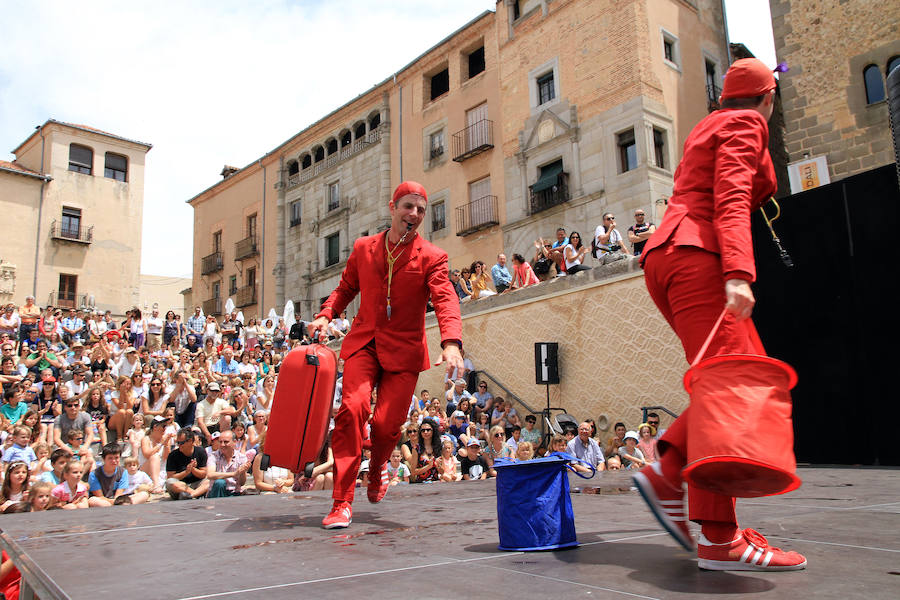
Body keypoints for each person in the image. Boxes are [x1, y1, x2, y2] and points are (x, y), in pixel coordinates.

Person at [633, 57, 807, 571]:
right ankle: (669, 471)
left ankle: (715, 534)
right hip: (699, 257)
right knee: (736, 386)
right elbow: (731, 196)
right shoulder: (747, 122)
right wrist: (739, 271)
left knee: (725, 383)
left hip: (667, 258)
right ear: (767, 98)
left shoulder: (710, 124)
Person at [307, 181, 463, 529]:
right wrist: (326, 313)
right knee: (352, 409)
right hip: (365, 343)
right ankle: (341, 501)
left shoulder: (433, 257)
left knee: (386, 424)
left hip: (405, 351)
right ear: (392, 207)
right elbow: (346, 287)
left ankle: (377, 468)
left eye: (421, 210)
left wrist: (451, 341)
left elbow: (445, 299)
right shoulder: (364, 248)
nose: (415, 214)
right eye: (408, 206)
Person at [165, 427, 210, 500]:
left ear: (191, 441)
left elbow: (203, 474)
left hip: (196, 483)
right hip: (181, 486)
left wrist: (193, 469)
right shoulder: (173, 455)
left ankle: (191, 495)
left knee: (209, 481)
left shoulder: (200, 451)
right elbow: (171, 477)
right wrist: (186, 472)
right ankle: (196, 494)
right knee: (170, 482)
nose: (179, 445)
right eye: (178, 443)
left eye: (182, 443)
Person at [207, 430, 249, 498]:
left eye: (226, 442)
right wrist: (233, 474)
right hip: (216, 492)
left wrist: (242, 471)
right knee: (220, 483)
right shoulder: (213, 456)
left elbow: (242, 483)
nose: (222, 445)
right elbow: (210, 474)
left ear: (235, 442)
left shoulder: (241, 457)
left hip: (234, 492)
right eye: (220, 442)